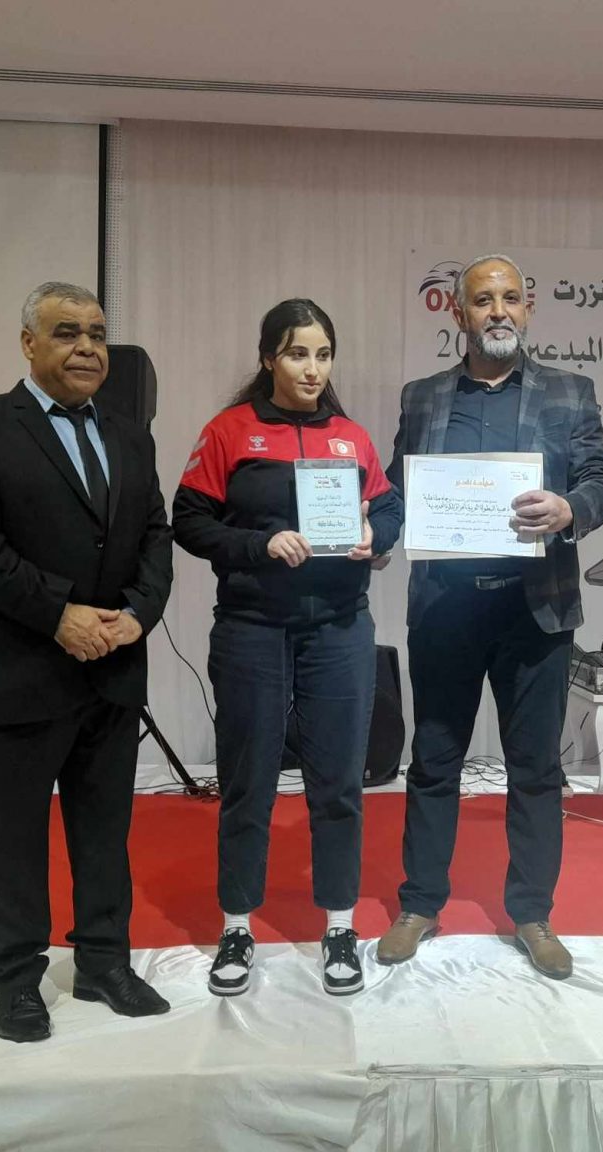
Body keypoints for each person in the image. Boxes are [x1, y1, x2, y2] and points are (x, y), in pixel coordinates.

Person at [0, 281, 174, 1042]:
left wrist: (136, 615)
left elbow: (155, 536)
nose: (87, 348)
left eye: (97, 334)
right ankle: (15, 980)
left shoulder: (130, 436)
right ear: (28, 344)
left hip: (113, 669)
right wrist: (59, 614)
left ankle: (104, 962)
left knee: (104, 833)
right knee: (13, 840)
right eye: (67, 332)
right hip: (22, 671)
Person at [378, 254, 603, 980]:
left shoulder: (570, 392)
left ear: (528, 307)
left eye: (510, 298)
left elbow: (600, 479)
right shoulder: (422, 397)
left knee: (536, 768)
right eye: (483, 300)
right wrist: (378, 535)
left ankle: (533, 914)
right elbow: (397, 488)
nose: (498, 312)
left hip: (534, 611)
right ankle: (420, 905)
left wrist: (571, 508)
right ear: (459, 312)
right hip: (446, 610)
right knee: (433, 761)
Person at [173, 298, 403, 997]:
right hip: (252, 628)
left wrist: (378, 534)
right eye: (298, 353)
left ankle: (339, 925)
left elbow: (388, 504)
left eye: (323, 355)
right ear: (268, 357)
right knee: (249, 781)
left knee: (340, 781)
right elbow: (188, 520)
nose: (312, 369)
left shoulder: (350, 437)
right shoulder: (229, 431)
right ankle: (236, 926)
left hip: (338, 627)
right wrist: (259, 544)